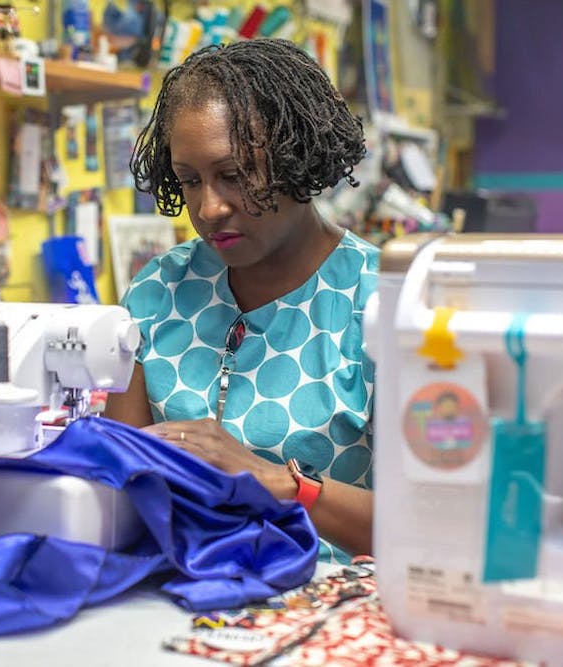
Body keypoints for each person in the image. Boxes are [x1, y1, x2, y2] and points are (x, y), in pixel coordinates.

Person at [103, 39, 378, 561]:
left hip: (327, 612)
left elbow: (428, 527)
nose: (208, 208)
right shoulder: (159, 291)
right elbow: (117, 482)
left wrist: (277, 483)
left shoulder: (380, 304)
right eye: (189, 180)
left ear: (297, 159)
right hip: (176, 593)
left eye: (233, 176)